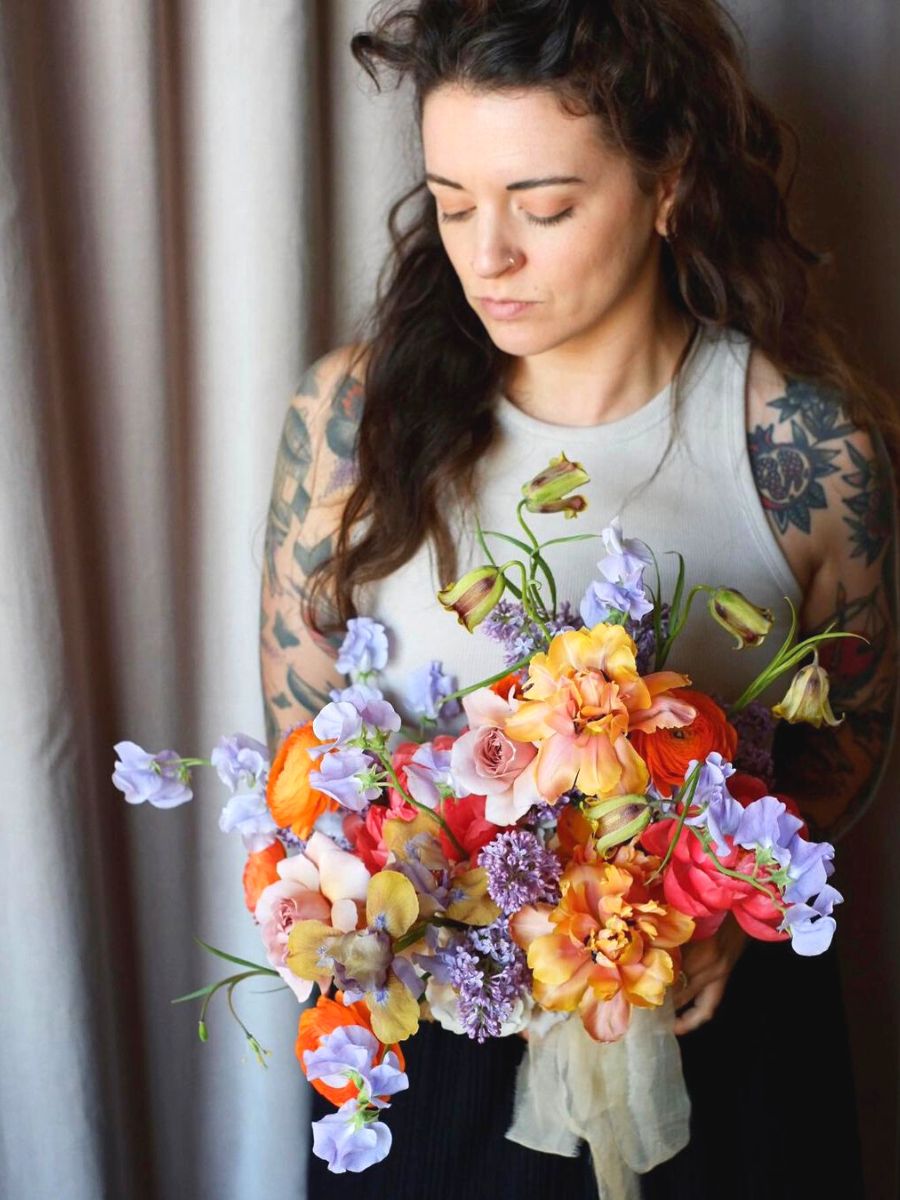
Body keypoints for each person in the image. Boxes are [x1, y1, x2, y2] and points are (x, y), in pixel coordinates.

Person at [259, 2, 897, 1196]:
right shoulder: (353, 422)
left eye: (543, 207)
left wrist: (719, 902)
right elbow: (302, 750)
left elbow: (851, 733)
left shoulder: (805, 446)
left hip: (720, 1053)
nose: (485, 255)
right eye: (453, 203)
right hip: (433, 1059)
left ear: (669, 187)